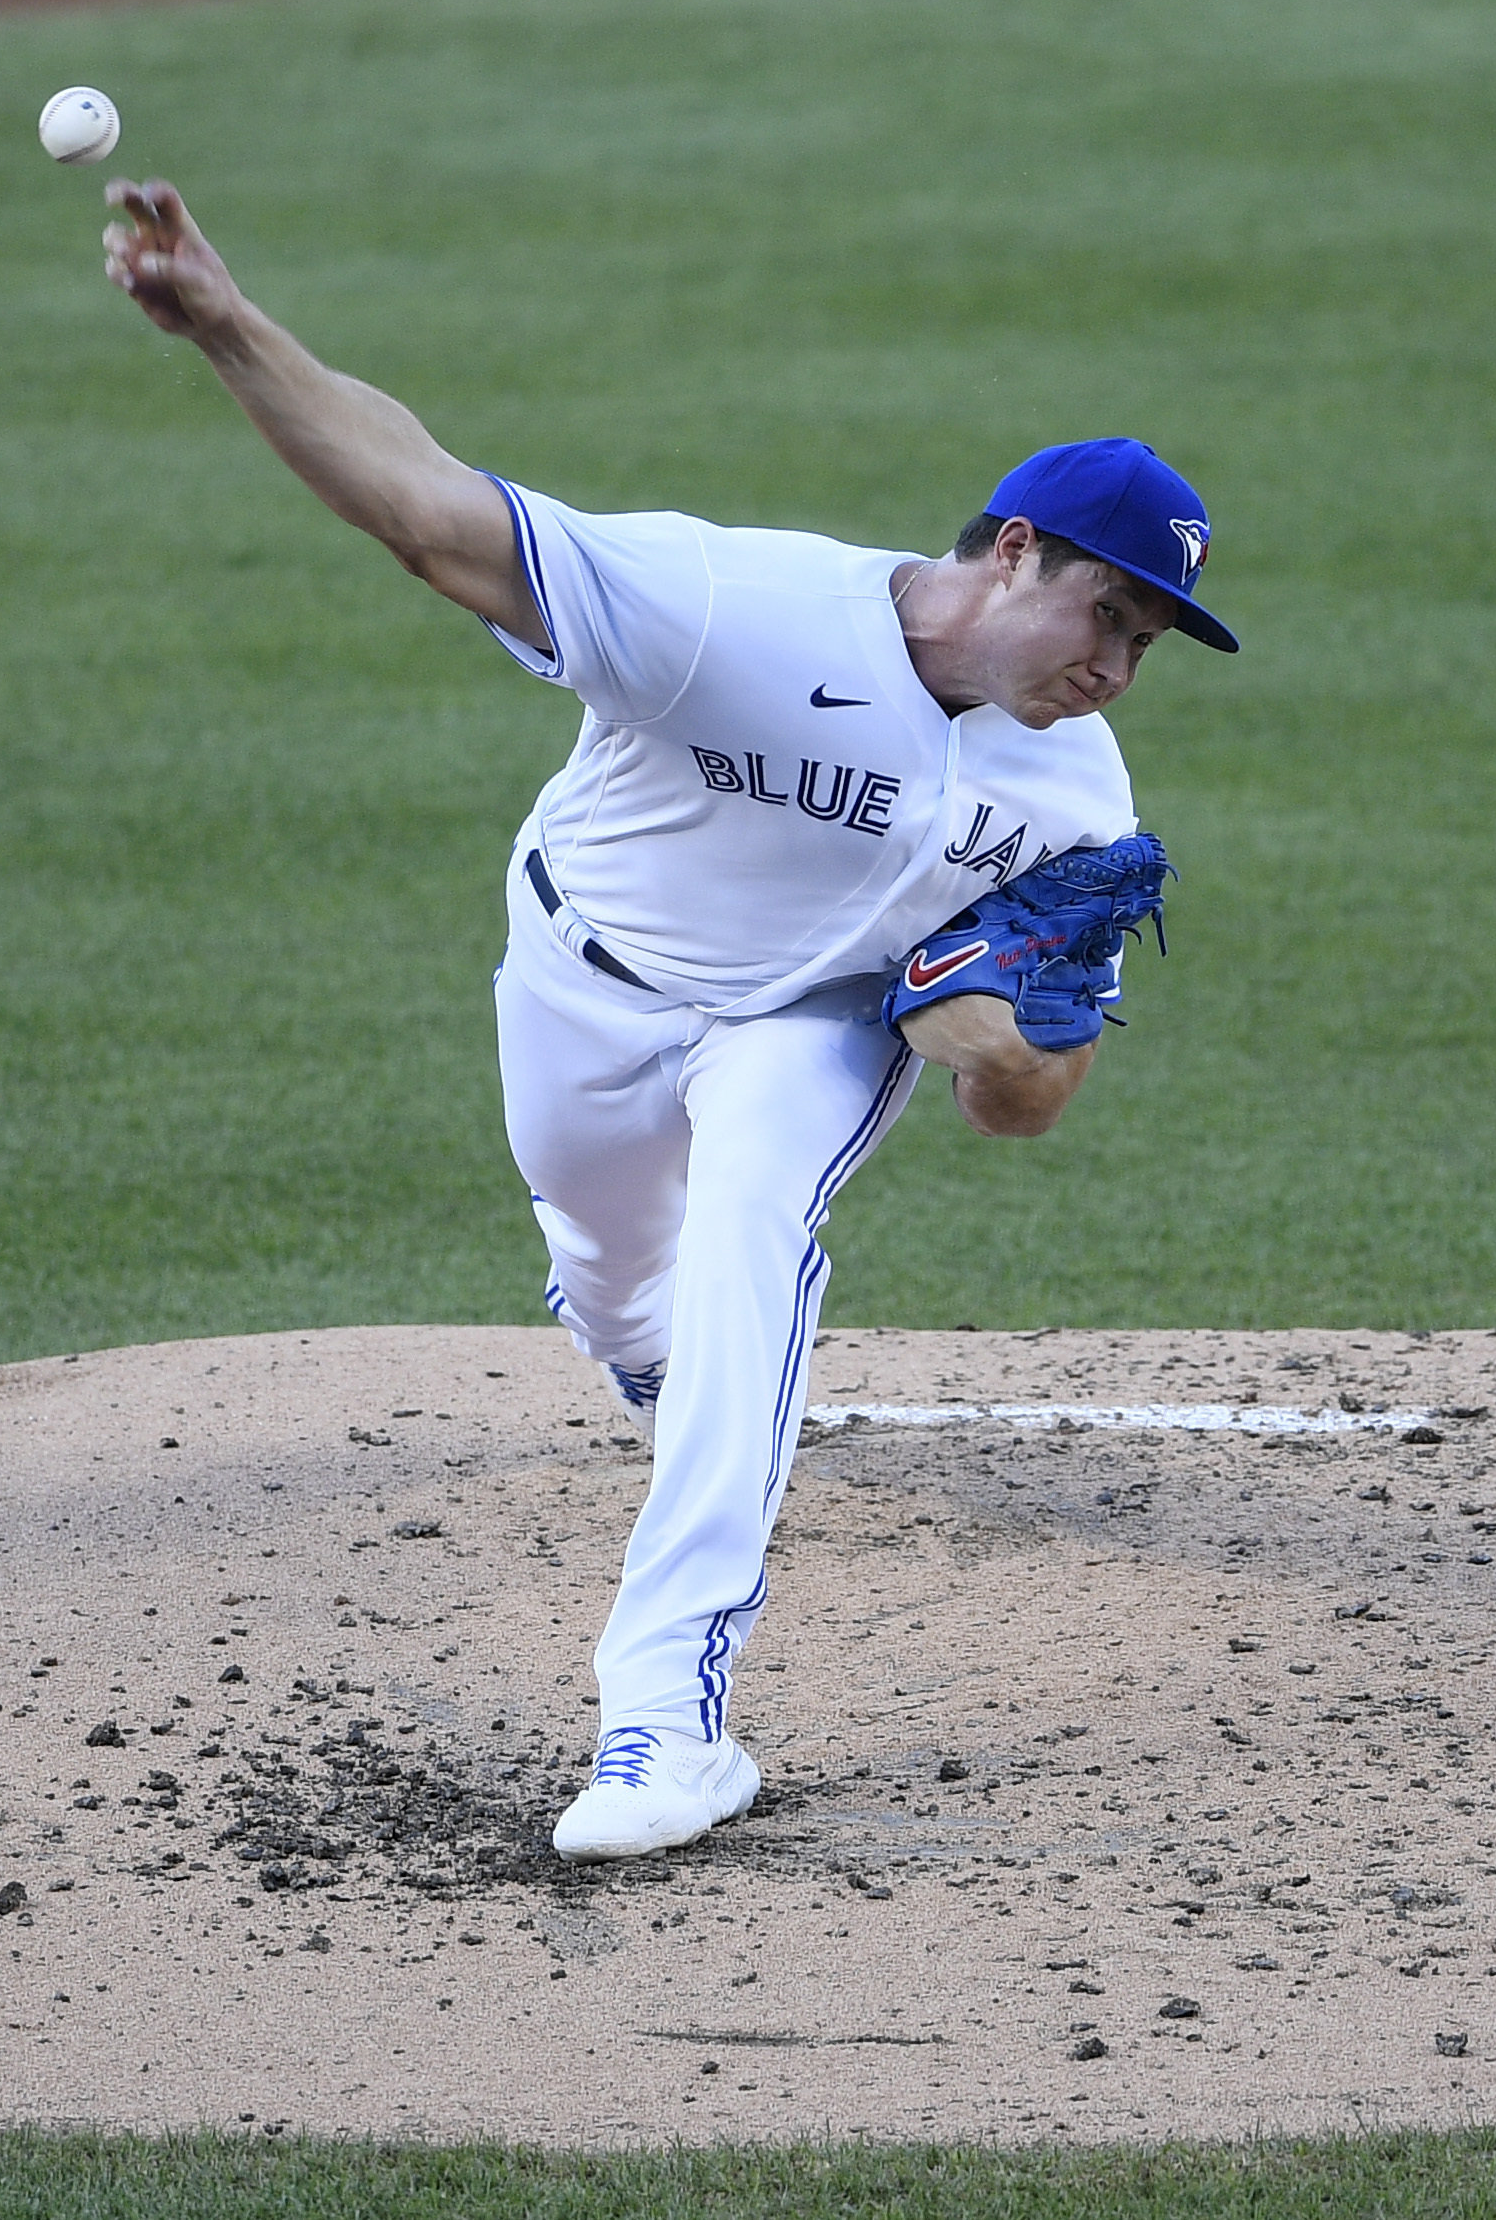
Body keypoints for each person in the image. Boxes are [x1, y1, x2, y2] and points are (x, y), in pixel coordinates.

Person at [99, 180, 1237, 1861]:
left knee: (752, 1238)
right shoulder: (736, 609)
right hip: (578, 979)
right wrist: (226, 327)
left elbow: (1033, 1098)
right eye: (1108, 615)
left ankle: (665, 1722)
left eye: (1148, 644)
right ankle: (654, 1365)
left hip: (809, 1029)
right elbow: (432, 515)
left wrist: (994, 1045)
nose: (1117, 671)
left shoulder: (1078, 800)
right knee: (613, 1279)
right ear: (1011, 553)